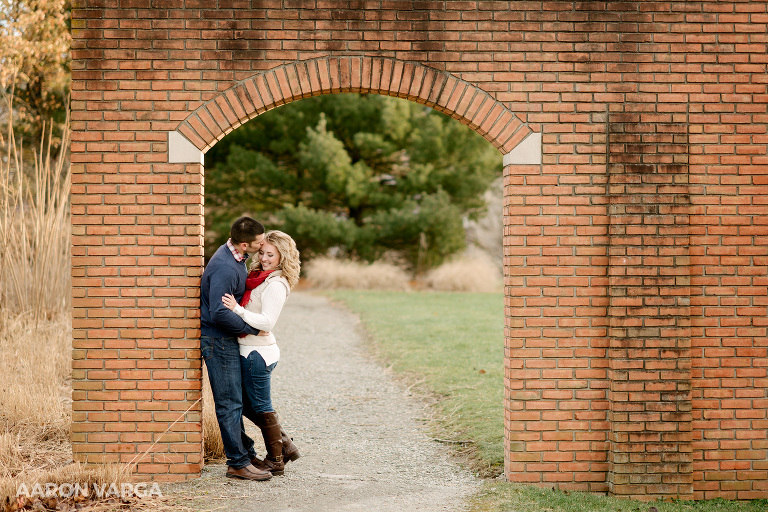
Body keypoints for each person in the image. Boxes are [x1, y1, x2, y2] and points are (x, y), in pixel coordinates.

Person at [221, 230, 301, 476]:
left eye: (271, 255)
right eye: (263, 253)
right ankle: (285, 445)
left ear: (282, 257)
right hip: (250, 348)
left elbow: (267, 322)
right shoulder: (260, 278)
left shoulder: (276, 283)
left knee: (261, 406)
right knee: (246, 404)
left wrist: (238, 310)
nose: (264, 258)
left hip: (259, 353)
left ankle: (276, 460)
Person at [200, 216, 273, 481]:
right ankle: (237, 463)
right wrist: (252, 328)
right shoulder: (225, 267)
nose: (262, 244)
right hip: (217, 339)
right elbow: (219, 312)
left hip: (224, 337)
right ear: (244, 245)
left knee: (236, 401)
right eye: (258, 242)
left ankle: (246, 454)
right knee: (229, 404)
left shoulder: (234, 257)